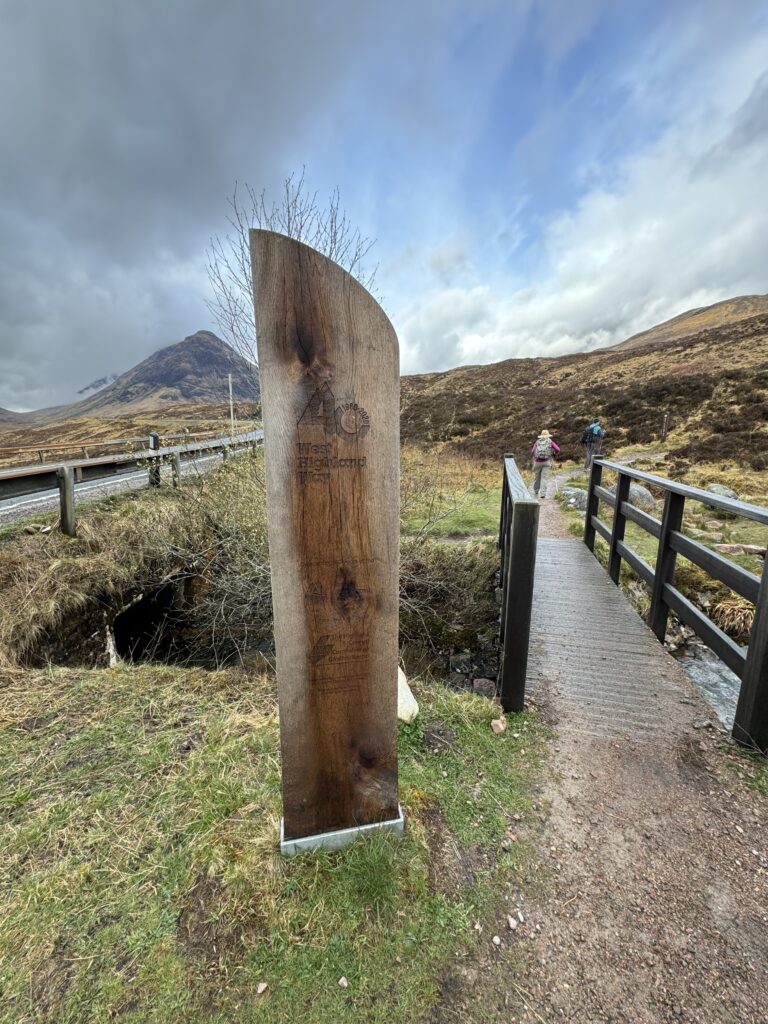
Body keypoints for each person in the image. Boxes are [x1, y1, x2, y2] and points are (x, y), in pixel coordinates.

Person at [531, 429, 560, 499]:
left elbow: (532, 452)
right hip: (546, 462)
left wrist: (535, 456)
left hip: (537, 462)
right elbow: (558, 449)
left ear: (541, 435)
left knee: (537, 477)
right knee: (544, 478)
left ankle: (536, 491)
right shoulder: (550, 442)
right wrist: (553, 453)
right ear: (548, 435)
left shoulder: (537, 442)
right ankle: (543, 494)